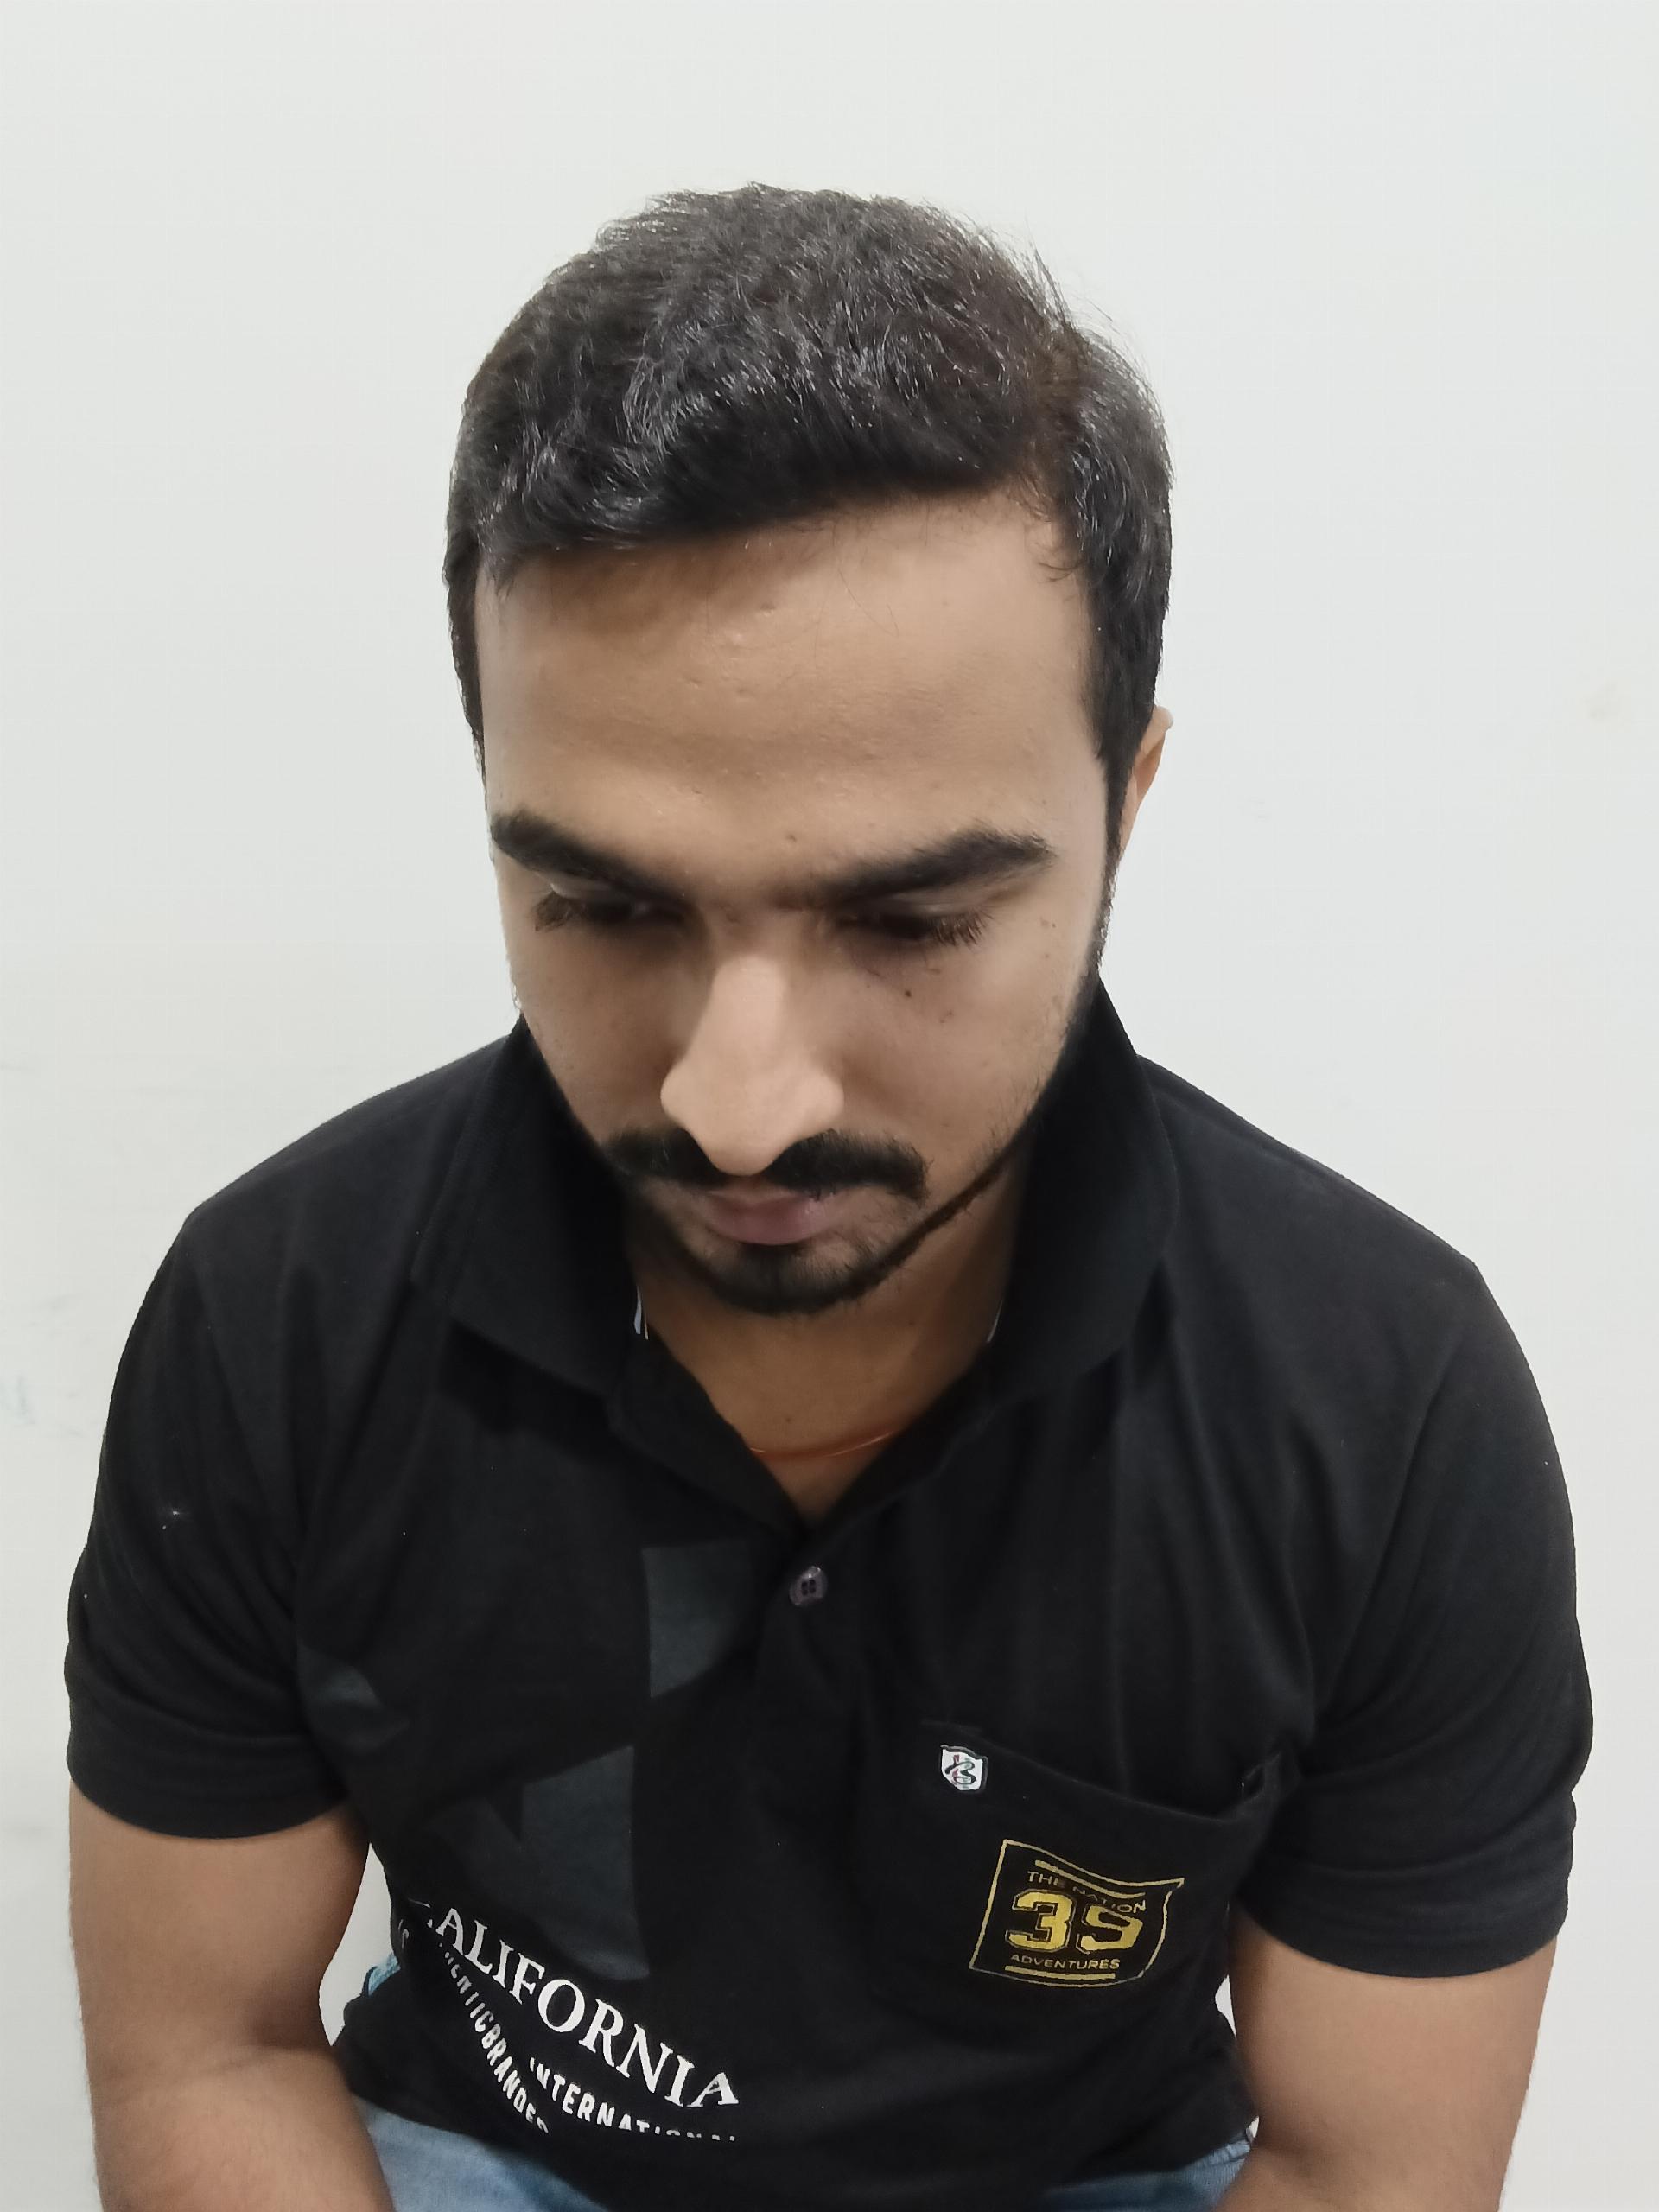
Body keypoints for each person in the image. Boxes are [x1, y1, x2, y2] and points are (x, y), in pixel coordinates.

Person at [64, 184, 1592, 2212]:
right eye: (606, 904)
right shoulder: (282, 1316)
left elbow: (1365, 2163)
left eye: (911, 919)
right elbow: (209, 2043)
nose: (741, 1107)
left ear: (1125, 799)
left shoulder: (1378, 1401)